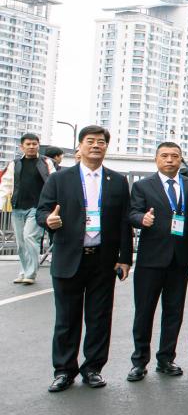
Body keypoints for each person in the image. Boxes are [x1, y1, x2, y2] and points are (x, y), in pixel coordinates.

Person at [38, 126, 133, 392]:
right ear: (79, 146)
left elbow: (125, 222)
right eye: (90, 141)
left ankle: (93, 368)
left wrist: (125, 258)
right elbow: (42, 210)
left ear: (106, 147)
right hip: (69, 257)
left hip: (102, 260)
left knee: (99, 317)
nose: (95, 146)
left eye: (101, 142)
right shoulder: (60, 179)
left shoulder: (117, 181)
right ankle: (63, 370)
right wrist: (48, 220)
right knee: (66, 319)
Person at [126, 142, 188, 382]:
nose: (170, 160)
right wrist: (141, 219)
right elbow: (132, 213)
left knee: (174, 312)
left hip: (180, 259)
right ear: (156, 159)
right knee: (144, 312)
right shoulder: (143, 186)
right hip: (151, 259)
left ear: (180, 159)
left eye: (175, 156)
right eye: (165, 156)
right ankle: (139, 362)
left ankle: (166, 358)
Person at [1, 133, 55, 285]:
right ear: (22, 147)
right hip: (17, 207)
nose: (31, 147)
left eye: (34, 144)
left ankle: (30, 273)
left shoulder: (46, 162)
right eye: (28, 144)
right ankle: (24, 271)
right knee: (20, 244)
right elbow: (5, 185)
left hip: (37, 208)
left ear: (38, 145)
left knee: (30, 237)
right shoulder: (14, 164)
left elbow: (54, 182)